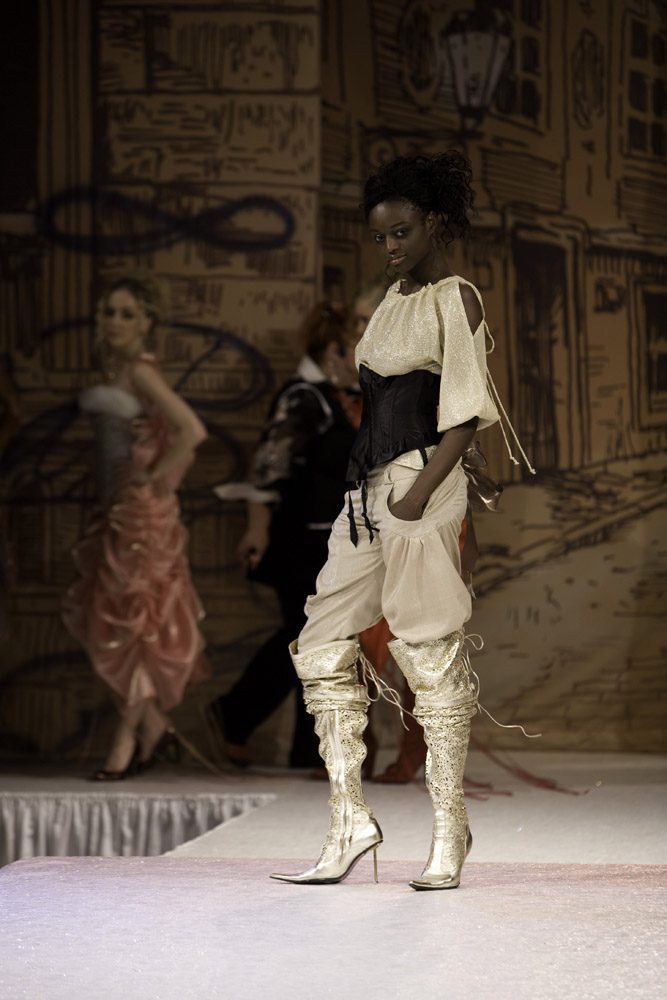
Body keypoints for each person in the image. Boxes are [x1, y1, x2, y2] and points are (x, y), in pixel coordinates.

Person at [271, 151, 524, 890]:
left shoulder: (455, 297)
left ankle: (449, 829)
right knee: (322, 639)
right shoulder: (389, 302)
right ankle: (349, 821)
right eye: (380, 236)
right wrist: (375, 494)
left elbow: (467, 414)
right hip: (368, 489)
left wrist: (416, 497)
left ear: (435, 223)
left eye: (401, 232)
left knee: (427, 645)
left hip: (419, 480)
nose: (388, 247)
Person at [211, 295, 385, 768]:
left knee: (324, 642)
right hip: (301, 540)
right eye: (359, 343)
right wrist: (256, 530)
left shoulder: (345, 399)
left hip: (335, 541)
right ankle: (234, 716)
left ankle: (307, 751)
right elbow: (268, 469)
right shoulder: (304, 397)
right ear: (334, 351)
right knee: (309, 638)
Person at [62, 272, 209, 780]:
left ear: (147, 322)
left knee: (136, 622)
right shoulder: (120, 368)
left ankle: (125, 741)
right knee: (112, 622)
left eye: (127, 313)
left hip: (142, 516)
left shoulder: (142, 372)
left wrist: (151, 474)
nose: (115, 321)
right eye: (108, 312)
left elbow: (192, 431)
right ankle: (155, 727)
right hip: (119, 511)